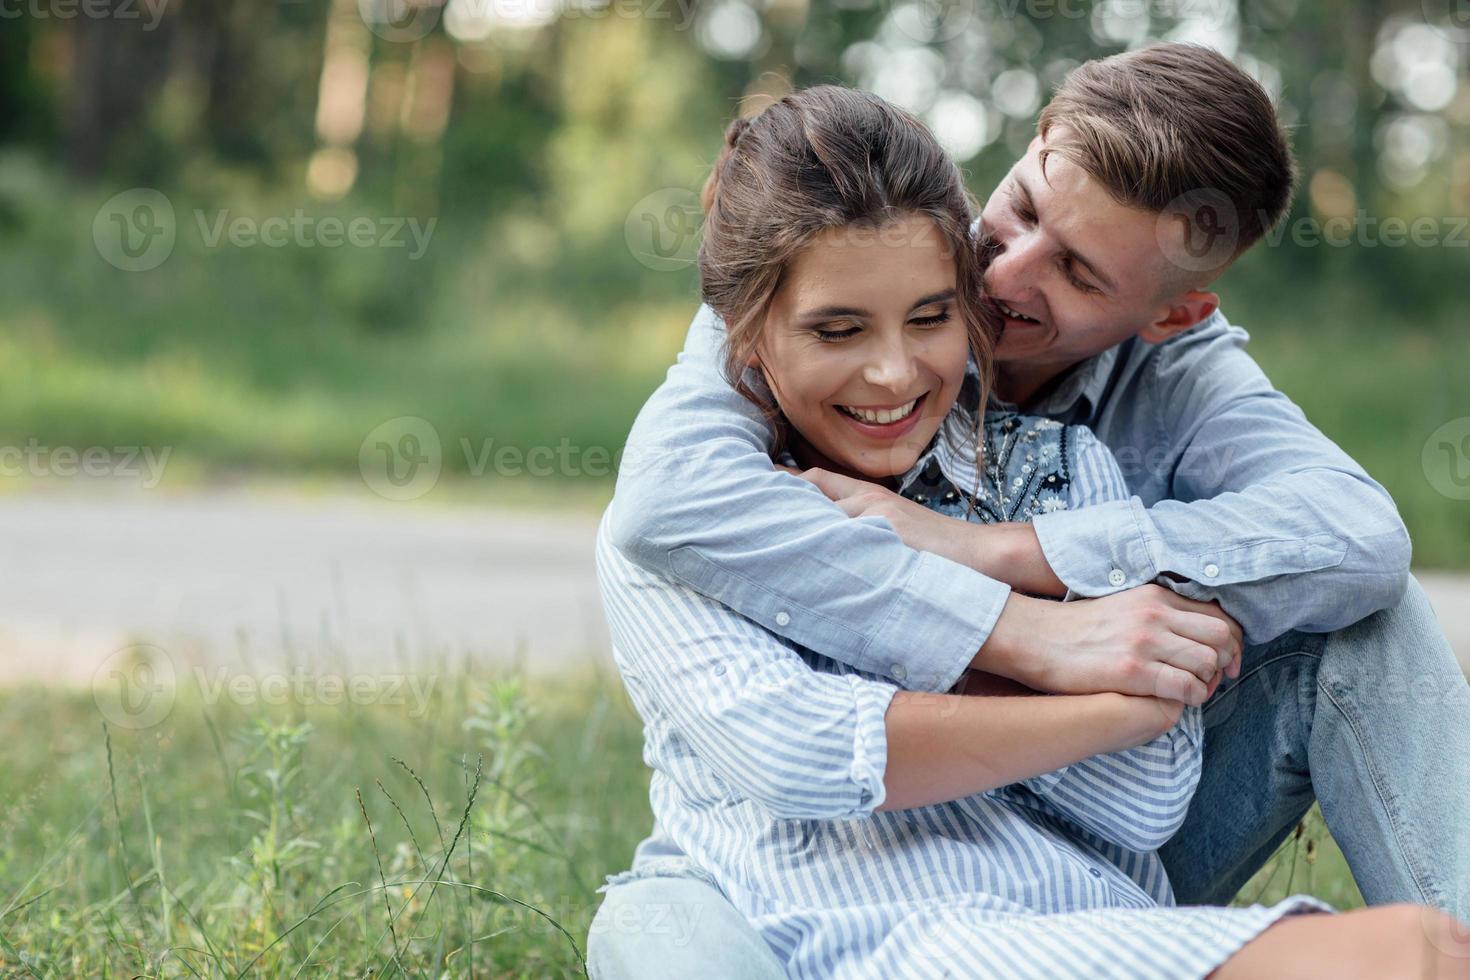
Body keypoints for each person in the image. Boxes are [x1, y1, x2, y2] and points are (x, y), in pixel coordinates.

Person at [588, 83, 1470, 979]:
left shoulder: (1074, 451)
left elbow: (1358, 535)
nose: (1001, 279)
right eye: (1019, 213)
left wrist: (998, 554)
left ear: (1171, 315)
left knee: (1372, 622)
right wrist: (1031, 636)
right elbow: (671, 513)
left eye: (1080, 274)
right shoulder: (844, 262)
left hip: (1072, 858)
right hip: (822, 879)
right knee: (661, 929)